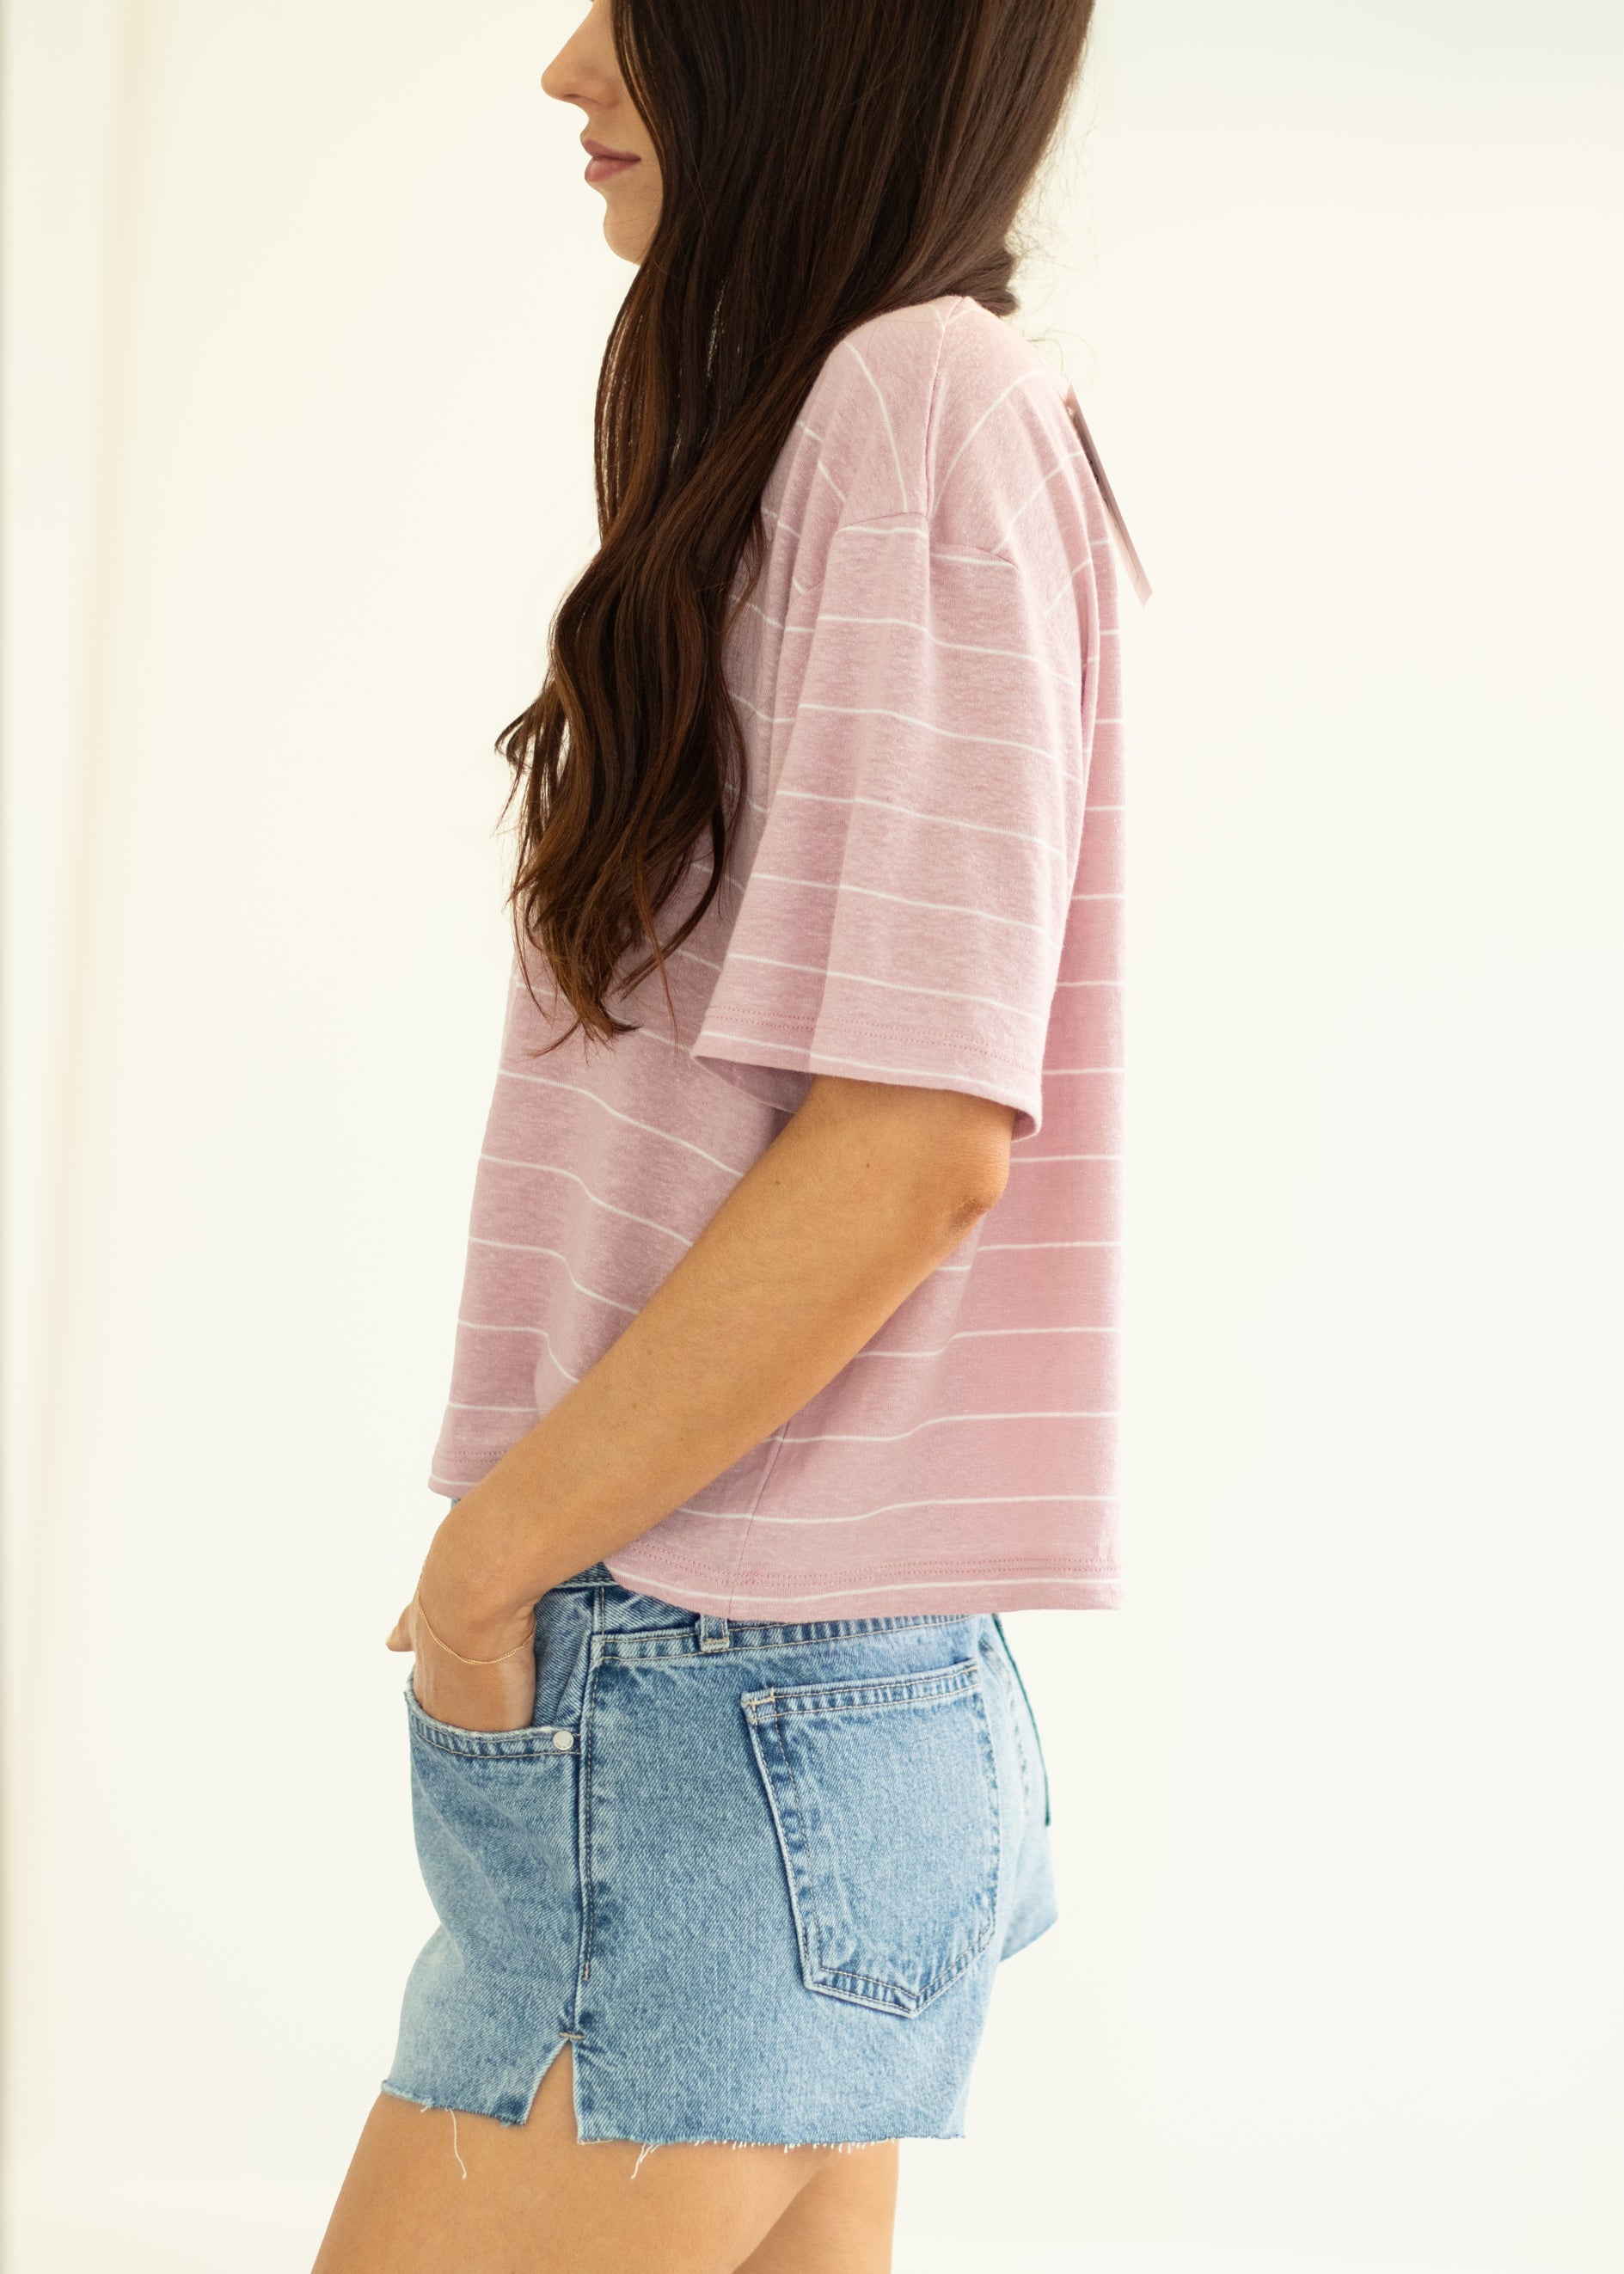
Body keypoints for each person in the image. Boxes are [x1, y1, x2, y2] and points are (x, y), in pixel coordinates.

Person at [313, 0, 1137, 2265]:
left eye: (638, 1)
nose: (569, 65)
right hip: (795, 1689)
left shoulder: (914, 402)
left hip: (709, 1682)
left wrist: (492, 1567)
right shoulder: (891, 412)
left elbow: (914, 1142)